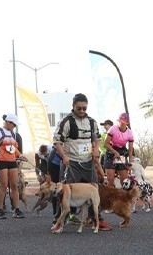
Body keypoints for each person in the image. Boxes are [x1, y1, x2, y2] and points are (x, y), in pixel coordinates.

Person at [52, 93, 111, 231]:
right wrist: (64, 157)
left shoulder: (91, 122)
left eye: (84, 108)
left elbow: (97, 138)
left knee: (93, 192)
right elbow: (57, 141)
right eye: (79, 108)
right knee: (64, 193)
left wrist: (96, 150)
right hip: (71, 163)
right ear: (73, 107)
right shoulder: (66, 122)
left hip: (88, 163)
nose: (82, 111)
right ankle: (60, 221)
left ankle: (98, 220)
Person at [0, 113, 26, 219]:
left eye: (15, 125)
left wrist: (20, 155)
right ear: (7, 122)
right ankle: (0, 210)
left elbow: (14, 148)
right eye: (13, 124)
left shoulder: (13, 134)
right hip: (1, 161)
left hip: (12, 161)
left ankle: (16, 209)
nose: (14, 126)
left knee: (14, 186)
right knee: (3, 186)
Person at [103, 113, 134, 187]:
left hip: (122, 153)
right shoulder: (113, 129)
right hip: (111, 151)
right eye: (120, 121)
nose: (121, 124)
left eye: (123, 122)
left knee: (124, 180)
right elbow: (106, 143)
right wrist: (114, 152)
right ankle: (111, 196)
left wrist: (130, 163)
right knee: (110, 180)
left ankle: (124, 196)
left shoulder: (129, 133)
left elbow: (130, 150)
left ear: (127, 123)